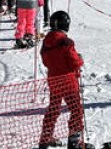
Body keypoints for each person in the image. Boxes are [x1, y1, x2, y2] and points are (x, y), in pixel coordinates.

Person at [39, 10, 92, 149]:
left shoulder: (46, 42)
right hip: (68, 81)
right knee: (76, 110)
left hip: (54, 80)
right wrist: (79, 59)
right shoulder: (66, 41)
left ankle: (45, 138)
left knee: (53, 109)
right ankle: (74, 142)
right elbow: (74, 62)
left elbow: (45, 61)